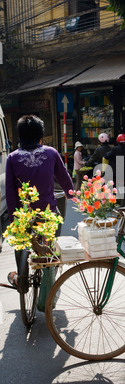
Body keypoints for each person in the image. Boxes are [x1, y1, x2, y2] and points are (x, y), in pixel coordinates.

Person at [5, 114, 74, 289]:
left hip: (24, 215)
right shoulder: (51, 153)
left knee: (20, 244)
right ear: (40, 135)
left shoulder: (12, 158)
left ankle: (21, 278)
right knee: (50, 248)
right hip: (47, 214)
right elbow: (65, 179)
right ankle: (49, 285)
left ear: (20, 135)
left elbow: (10, 191)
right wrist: (70, 194)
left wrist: (15, 219)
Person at [104, 133, 125, 203]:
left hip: (117, 173)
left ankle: (118, 199)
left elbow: (107, 156)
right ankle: (122, 198)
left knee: (116, 186)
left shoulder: (116, 149)